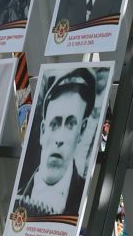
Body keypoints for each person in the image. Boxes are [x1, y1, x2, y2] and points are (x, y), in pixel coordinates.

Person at [16, 68, 98, 220]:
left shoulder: (88, 196)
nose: (59, 138)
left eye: (70, 124)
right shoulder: (17, 193)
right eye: (54, 124)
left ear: (82, 130)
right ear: (42, 131)